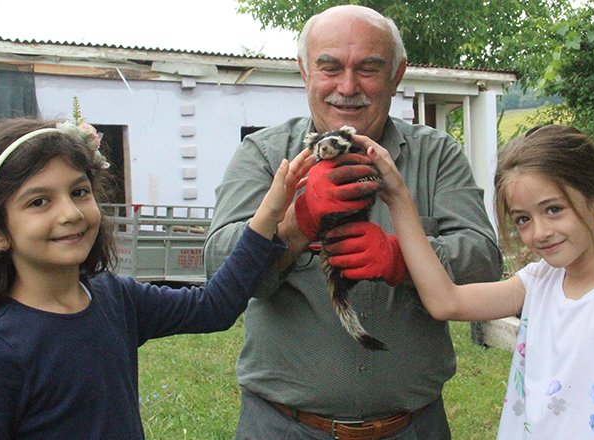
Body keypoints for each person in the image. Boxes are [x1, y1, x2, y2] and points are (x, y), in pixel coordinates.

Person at [203, 4, 502, 439]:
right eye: (329, 67)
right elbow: (218, 271)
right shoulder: (265, 154)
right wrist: (295, 224)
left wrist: (406, 258)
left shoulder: (437, 156)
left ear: (397, 75)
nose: (347, 86)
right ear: (304, 71)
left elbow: (484, 262)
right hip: (284, 427)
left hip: (413, 427)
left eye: (368, 68)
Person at [0, 116, 313, 439]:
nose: (71, 213)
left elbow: (213, 307)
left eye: (79, 192)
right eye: (39, 201)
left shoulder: (115, 299)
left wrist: (267, 216)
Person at [363, 124, 594, 439]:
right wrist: (399, 198)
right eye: (523, 219)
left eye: (554, 210)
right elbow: (446, 301)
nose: (539, 233)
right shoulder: (540, 280)